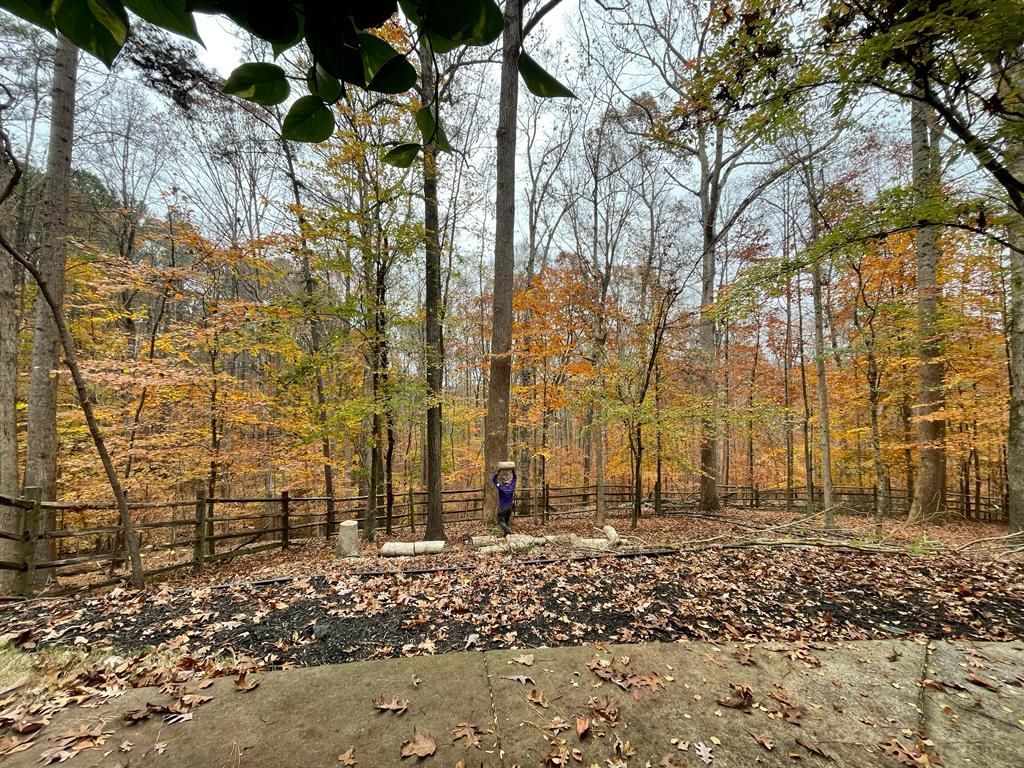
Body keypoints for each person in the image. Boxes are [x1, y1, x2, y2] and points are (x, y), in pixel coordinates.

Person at [492, 467, 516, 536]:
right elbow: (514, 479)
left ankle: (508, 531)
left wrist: (497, 473)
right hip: (510, 507)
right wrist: (513, 472)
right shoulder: (511, 487)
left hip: (503, 507)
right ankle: (506, 535)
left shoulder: (501, 487)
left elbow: (494, 480)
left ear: (503, 483)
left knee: (500, 520)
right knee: (506, 520)